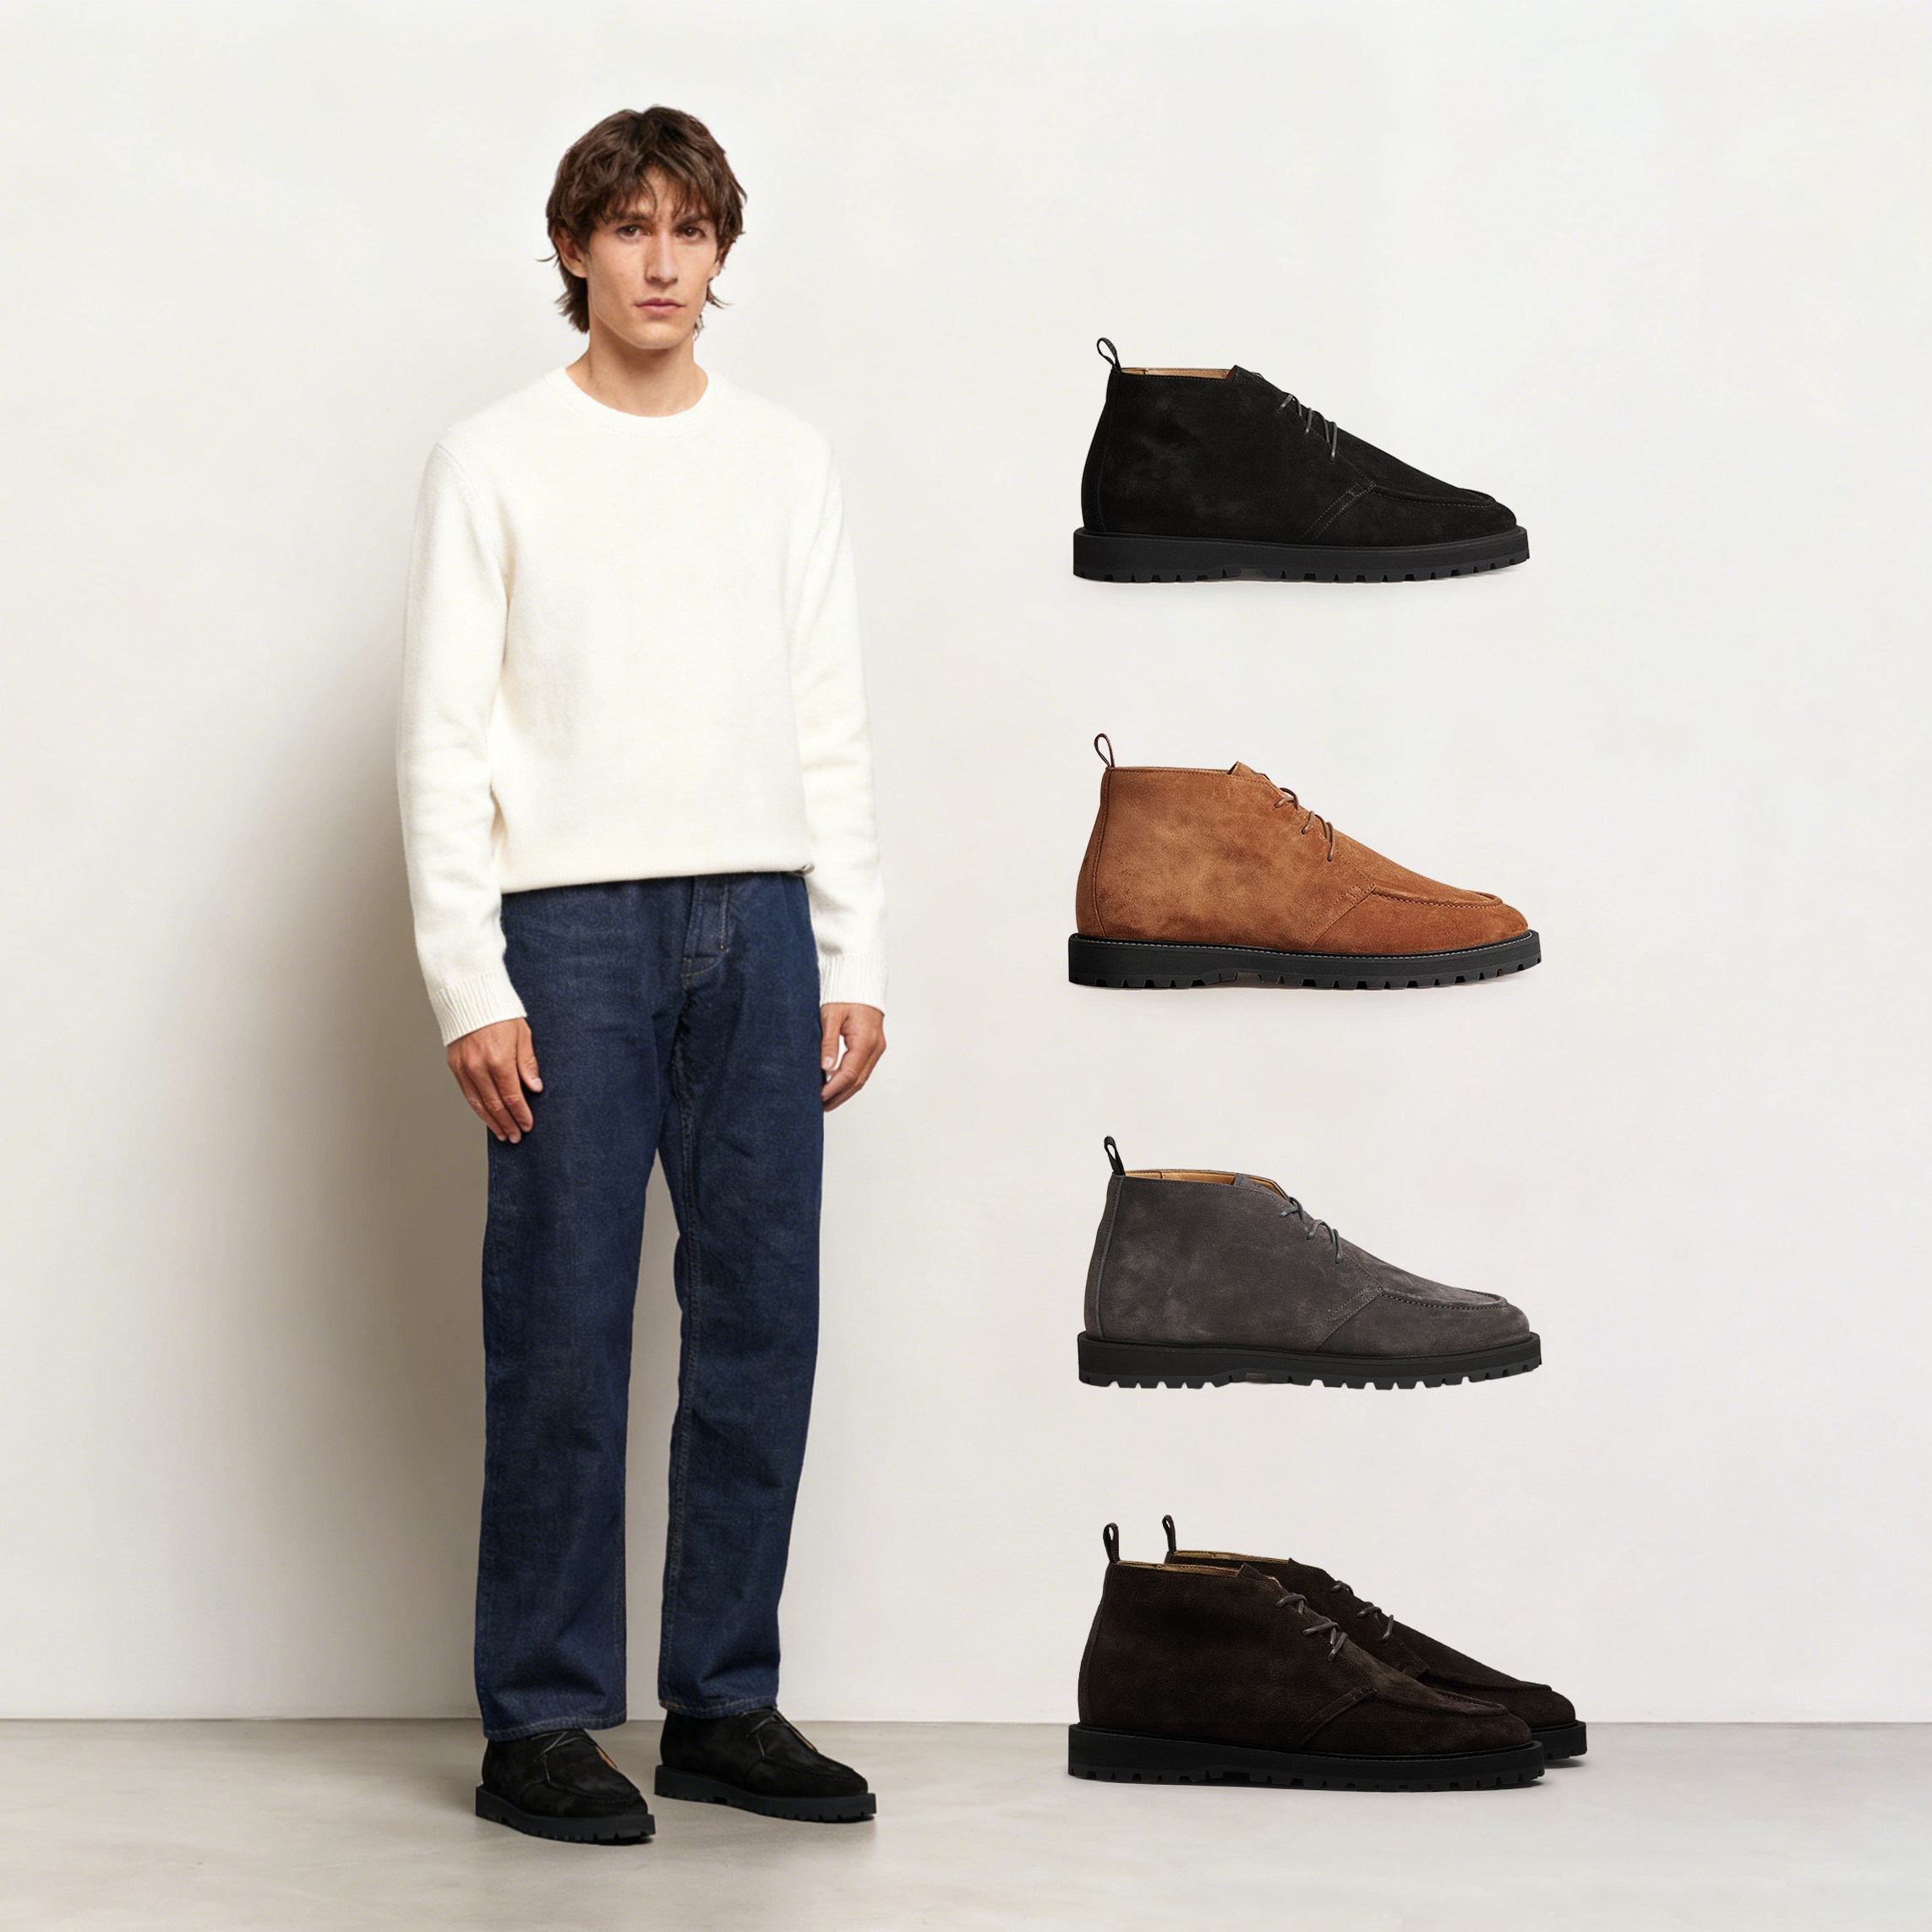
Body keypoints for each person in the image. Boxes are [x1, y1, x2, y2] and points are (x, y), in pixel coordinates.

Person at [396, 105, 886, 1843]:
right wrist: (469, 978)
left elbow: (826, 717)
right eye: (629, 227)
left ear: (721, 253)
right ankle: (540, 1721)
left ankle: (724, 1705)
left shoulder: (784, 461)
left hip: (758, 916)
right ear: (574, 250)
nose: (663, 261)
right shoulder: (494, 458)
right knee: (562, 1324)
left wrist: (851, 948)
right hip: (570, 932)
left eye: (690, 230)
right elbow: (441, 736)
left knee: (762, 1315)